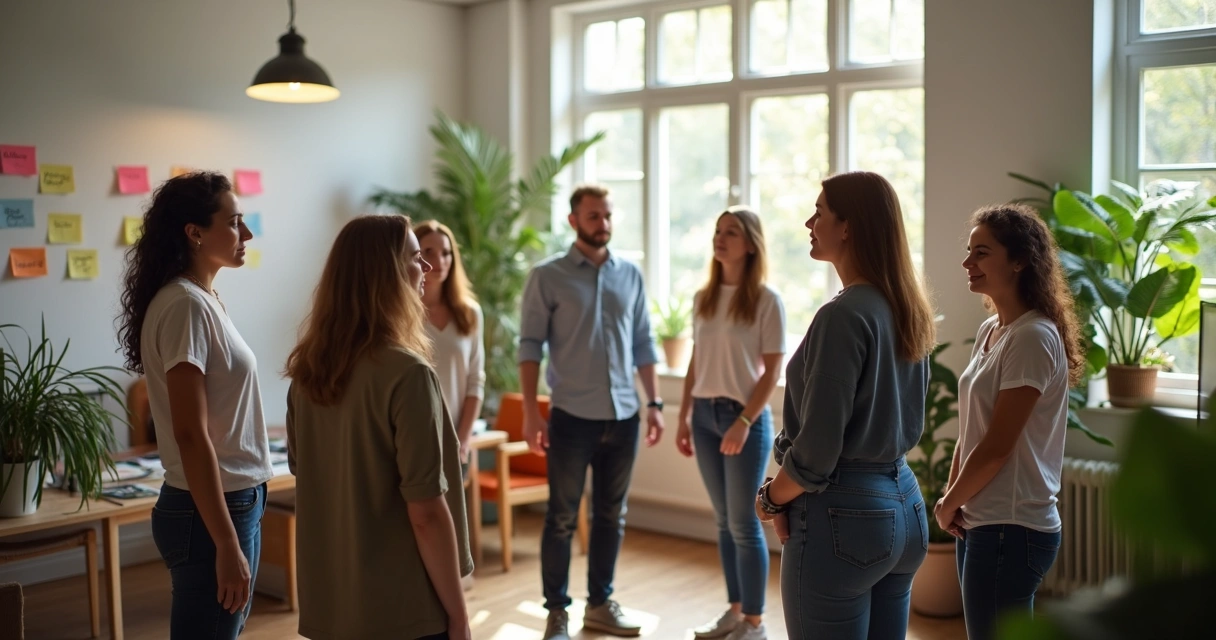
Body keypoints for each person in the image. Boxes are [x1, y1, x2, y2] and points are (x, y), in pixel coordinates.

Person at [755, 171, 936, 640]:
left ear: (848, 226)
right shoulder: (905, 307)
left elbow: (816, 452)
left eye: (820, 212)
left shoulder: (843, 315)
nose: (808, 222)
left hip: (844, 519)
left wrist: (771, 499)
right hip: (906, 507)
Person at [284, 215, 473, 640]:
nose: (425, 268)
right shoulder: (407, 374)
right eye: (414, 257)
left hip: (331, 606)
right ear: (384, 273)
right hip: (402, 609)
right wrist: (459, 617)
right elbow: (425, 512)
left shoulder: (307, 373)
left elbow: (307, 470)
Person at [116, 171, 269, 639]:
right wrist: (225, 541)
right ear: (195, 232)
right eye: (234, 222)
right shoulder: (185, 305)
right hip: (212, 511)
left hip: (231, 500)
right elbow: (188, 432)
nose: (246, 234)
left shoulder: (200, 298)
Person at [519, 184, 664, 640]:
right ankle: (557, 612)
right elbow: (529, 347)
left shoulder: (630, 275)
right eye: (593, 216)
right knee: (561, 517)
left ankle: (600, 604)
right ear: (573, 221)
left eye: (606, 215)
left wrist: (655, 403)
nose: (602, 224)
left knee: (611, 515)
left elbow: (643, 342)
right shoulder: (548, 276)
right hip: (571, 417)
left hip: (624, 416)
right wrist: (529, 412)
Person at [936, 204, 1081, 640]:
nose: (967, 263)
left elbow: (998, 446)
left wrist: (947, 505)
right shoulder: (992, 331)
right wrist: (953, 495)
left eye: (981, 252)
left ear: (1019, 261)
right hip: (981, 519)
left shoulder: (1033, 337)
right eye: (969, 251)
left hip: (1011, 529)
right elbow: (972, 430)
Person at [676, 207, 786, 640]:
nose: (720, 238)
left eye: (731, 232)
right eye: (718, 231)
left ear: (750, 244)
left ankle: (755, 624)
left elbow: (772, 372)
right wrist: (685, 415)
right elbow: (695, 361)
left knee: (743, 522)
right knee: (723, 520)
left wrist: (743, 420)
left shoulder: (765, 299)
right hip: (703, 415)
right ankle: (735, 611)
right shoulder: (704, 297)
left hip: (745, 418)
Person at [415, 220, 485, 466]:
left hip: (456, 441)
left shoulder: (470, 313)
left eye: (446, 253)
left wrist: (462, 440)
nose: (440, 260)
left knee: (455, 505)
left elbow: (476, 381)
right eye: (428, 252)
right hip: (412, 439)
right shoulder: (402, 315)